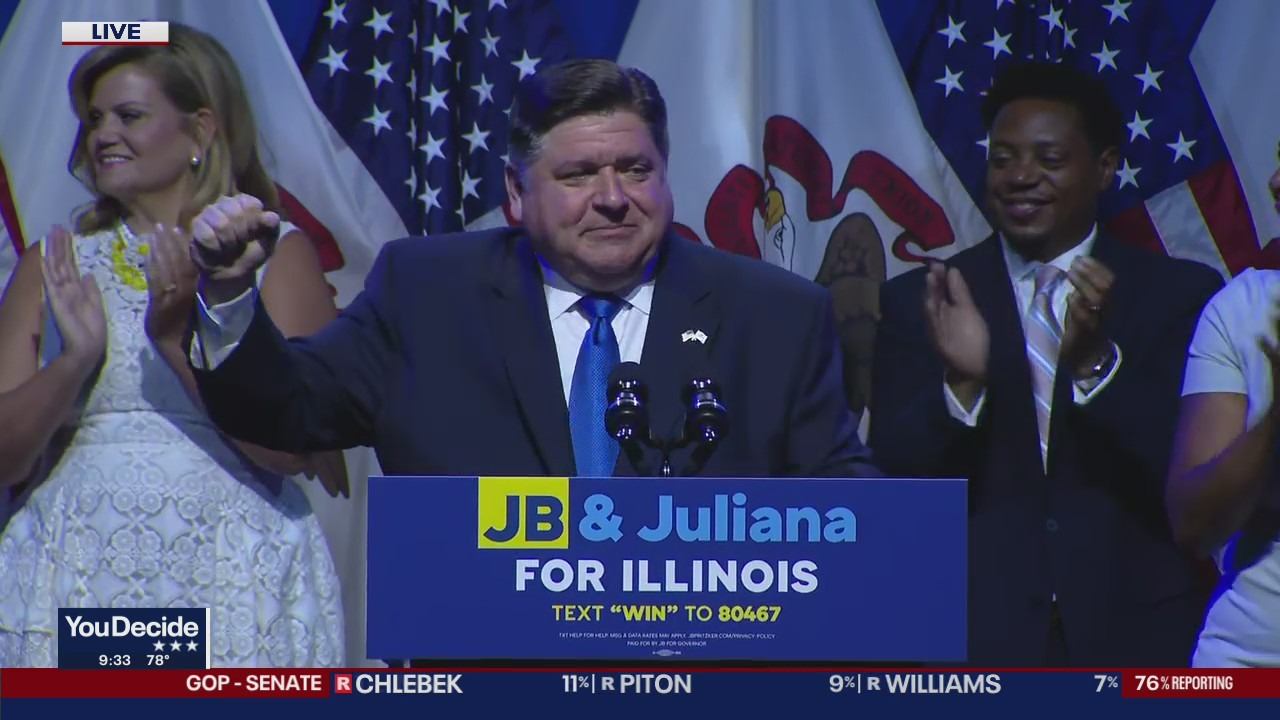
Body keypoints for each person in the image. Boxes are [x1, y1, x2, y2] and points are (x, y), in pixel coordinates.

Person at [182, 57, 877, 488]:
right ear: (515, 195)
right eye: (578, 175)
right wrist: (230, 298)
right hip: (487, 668)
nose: (612, 197)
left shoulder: (773, 313)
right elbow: (287, 410)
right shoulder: (425, 295)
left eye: (636, 170)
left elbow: (847, 503)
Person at [0, 23, 347, 667]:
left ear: (202, 130)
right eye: (95, 117)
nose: (104, 134)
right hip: (73, 567)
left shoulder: (273, 254)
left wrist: (173, 340)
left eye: (129, 115)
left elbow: (292, 448)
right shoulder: (53, 264)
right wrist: (75, 362)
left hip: (231, 563)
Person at [870, 61, 1223, 666]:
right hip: (974, 636)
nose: (1020, 178)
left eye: (1048, 159)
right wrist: (962, 384)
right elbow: (895, 477)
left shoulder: (1178, 295)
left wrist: (1093, 367)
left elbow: (1189, 477)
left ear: (1105, 167)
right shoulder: (924, 299)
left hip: (1138, 634)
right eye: (1003, 158)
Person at [1166, 161, 1280, 668]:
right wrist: (1273, 426)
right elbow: (1193, 524)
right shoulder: (1242, 308)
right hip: (1251, 658)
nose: (1275, 181)